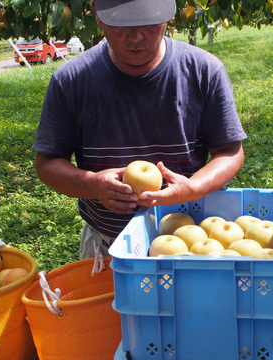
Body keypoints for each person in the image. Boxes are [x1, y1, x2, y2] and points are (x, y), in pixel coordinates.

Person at [32, 0, 247, 260]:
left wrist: (193, 188)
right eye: (121, 25)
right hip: (108, 246)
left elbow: (230, 151)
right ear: (98, 16)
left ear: (168, 17)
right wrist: (92, 184)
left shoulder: (203, 71)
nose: (136, 37)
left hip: (192, 245)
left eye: (149, 24)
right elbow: (48, 162)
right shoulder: (71, 80)